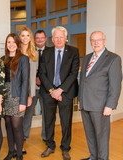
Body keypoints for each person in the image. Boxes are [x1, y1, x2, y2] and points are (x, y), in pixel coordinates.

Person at [78, 31, 122, 160]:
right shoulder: (86, 58)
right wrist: (80, 99)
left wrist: (110, 105)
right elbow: (83, 80)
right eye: (93, 40)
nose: (96, 43)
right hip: (85, 104)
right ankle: (93, 156)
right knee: (90, 134)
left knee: (101, 136)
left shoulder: (113, 59)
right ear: (90, 42)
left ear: (104, 41)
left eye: (99, 40)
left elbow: (115, 85)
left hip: (100, 106)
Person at [39, 26, 79, 160]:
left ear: (66, 38)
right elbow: (42, 73)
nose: (58, 39)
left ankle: (65, 148)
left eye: (61, 37)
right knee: (48, 121)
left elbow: (73, 74)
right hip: (48, 92)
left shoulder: (73, 51)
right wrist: (52, 90)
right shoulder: (46, 52)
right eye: (56, 37)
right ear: (52, 39)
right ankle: (50, 145)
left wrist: (60, 90)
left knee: (66, 122)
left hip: (66, 92)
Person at [2, 33, 29, 160]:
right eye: (8, 42)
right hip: (5, 96)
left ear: (18, 44)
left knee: (17, 126)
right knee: (8, 125)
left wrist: (23, 101)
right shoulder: (3, 59)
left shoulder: (23, 59)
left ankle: (19, 154)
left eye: (13, 42)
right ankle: (11, 151)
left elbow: (25, 82)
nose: (11, 45)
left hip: (17, 96)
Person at [22, 30, 49, 142]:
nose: (39, 40)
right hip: (31, 89)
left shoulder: (50, 51)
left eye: (41, 38)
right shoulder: (29, 51)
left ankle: (46, 137)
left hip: (45, 88)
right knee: (28, 113)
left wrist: (42, 80)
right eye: (37, 38)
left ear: (46, 38)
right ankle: (23, 136)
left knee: (47, 114)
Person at [18, 27, 38, 154]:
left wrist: (30, 95)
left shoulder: (34, 54)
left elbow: (32, 76)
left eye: (27, 35)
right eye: (23, 35)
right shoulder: (15, 52)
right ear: (19, 37)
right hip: (17, 92)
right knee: (17, 119)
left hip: (30, 91)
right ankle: (17, 143)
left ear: (30, 38)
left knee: (26, 118)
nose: (25, 38)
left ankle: (22, 142)